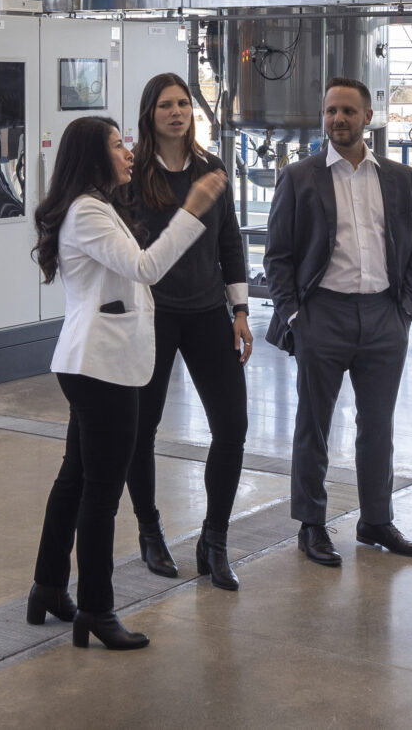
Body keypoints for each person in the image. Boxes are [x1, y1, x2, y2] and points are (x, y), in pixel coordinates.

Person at [28, 114, 227, 651]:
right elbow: (146, 268)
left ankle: (49, 586)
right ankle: (96, 609)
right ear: (94, 157)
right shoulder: (87, 212)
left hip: (99, 362)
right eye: (118, 146)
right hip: (101, 366)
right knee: (101, 493)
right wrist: (191, 210)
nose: (129, 153)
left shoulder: (99, 206)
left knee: (76, 480)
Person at [261, 76, 412, 567]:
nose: (338, 119)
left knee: (377, 425)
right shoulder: (300, 177)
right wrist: (296, 315)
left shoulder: (400, 178)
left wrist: (406, 309)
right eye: (331, 111)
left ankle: (376, 520)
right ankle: (311, 524)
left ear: (367, 118)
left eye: (348, 111)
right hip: (323, 315)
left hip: (384, 316)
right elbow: (278, 256)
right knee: (313, 426)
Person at [119, 73, 251, 590]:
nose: (177, 112)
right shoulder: (134, 176)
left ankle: (214, 539)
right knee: (141, 428)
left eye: (183, 104)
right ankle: (149, 530)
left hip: (207, 312)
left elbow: (230, 241)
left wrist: (240, 310)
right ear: (149, 114)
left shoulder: (211, 170)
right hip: (153, 315)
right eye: (165, 106)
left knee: (232, 426)